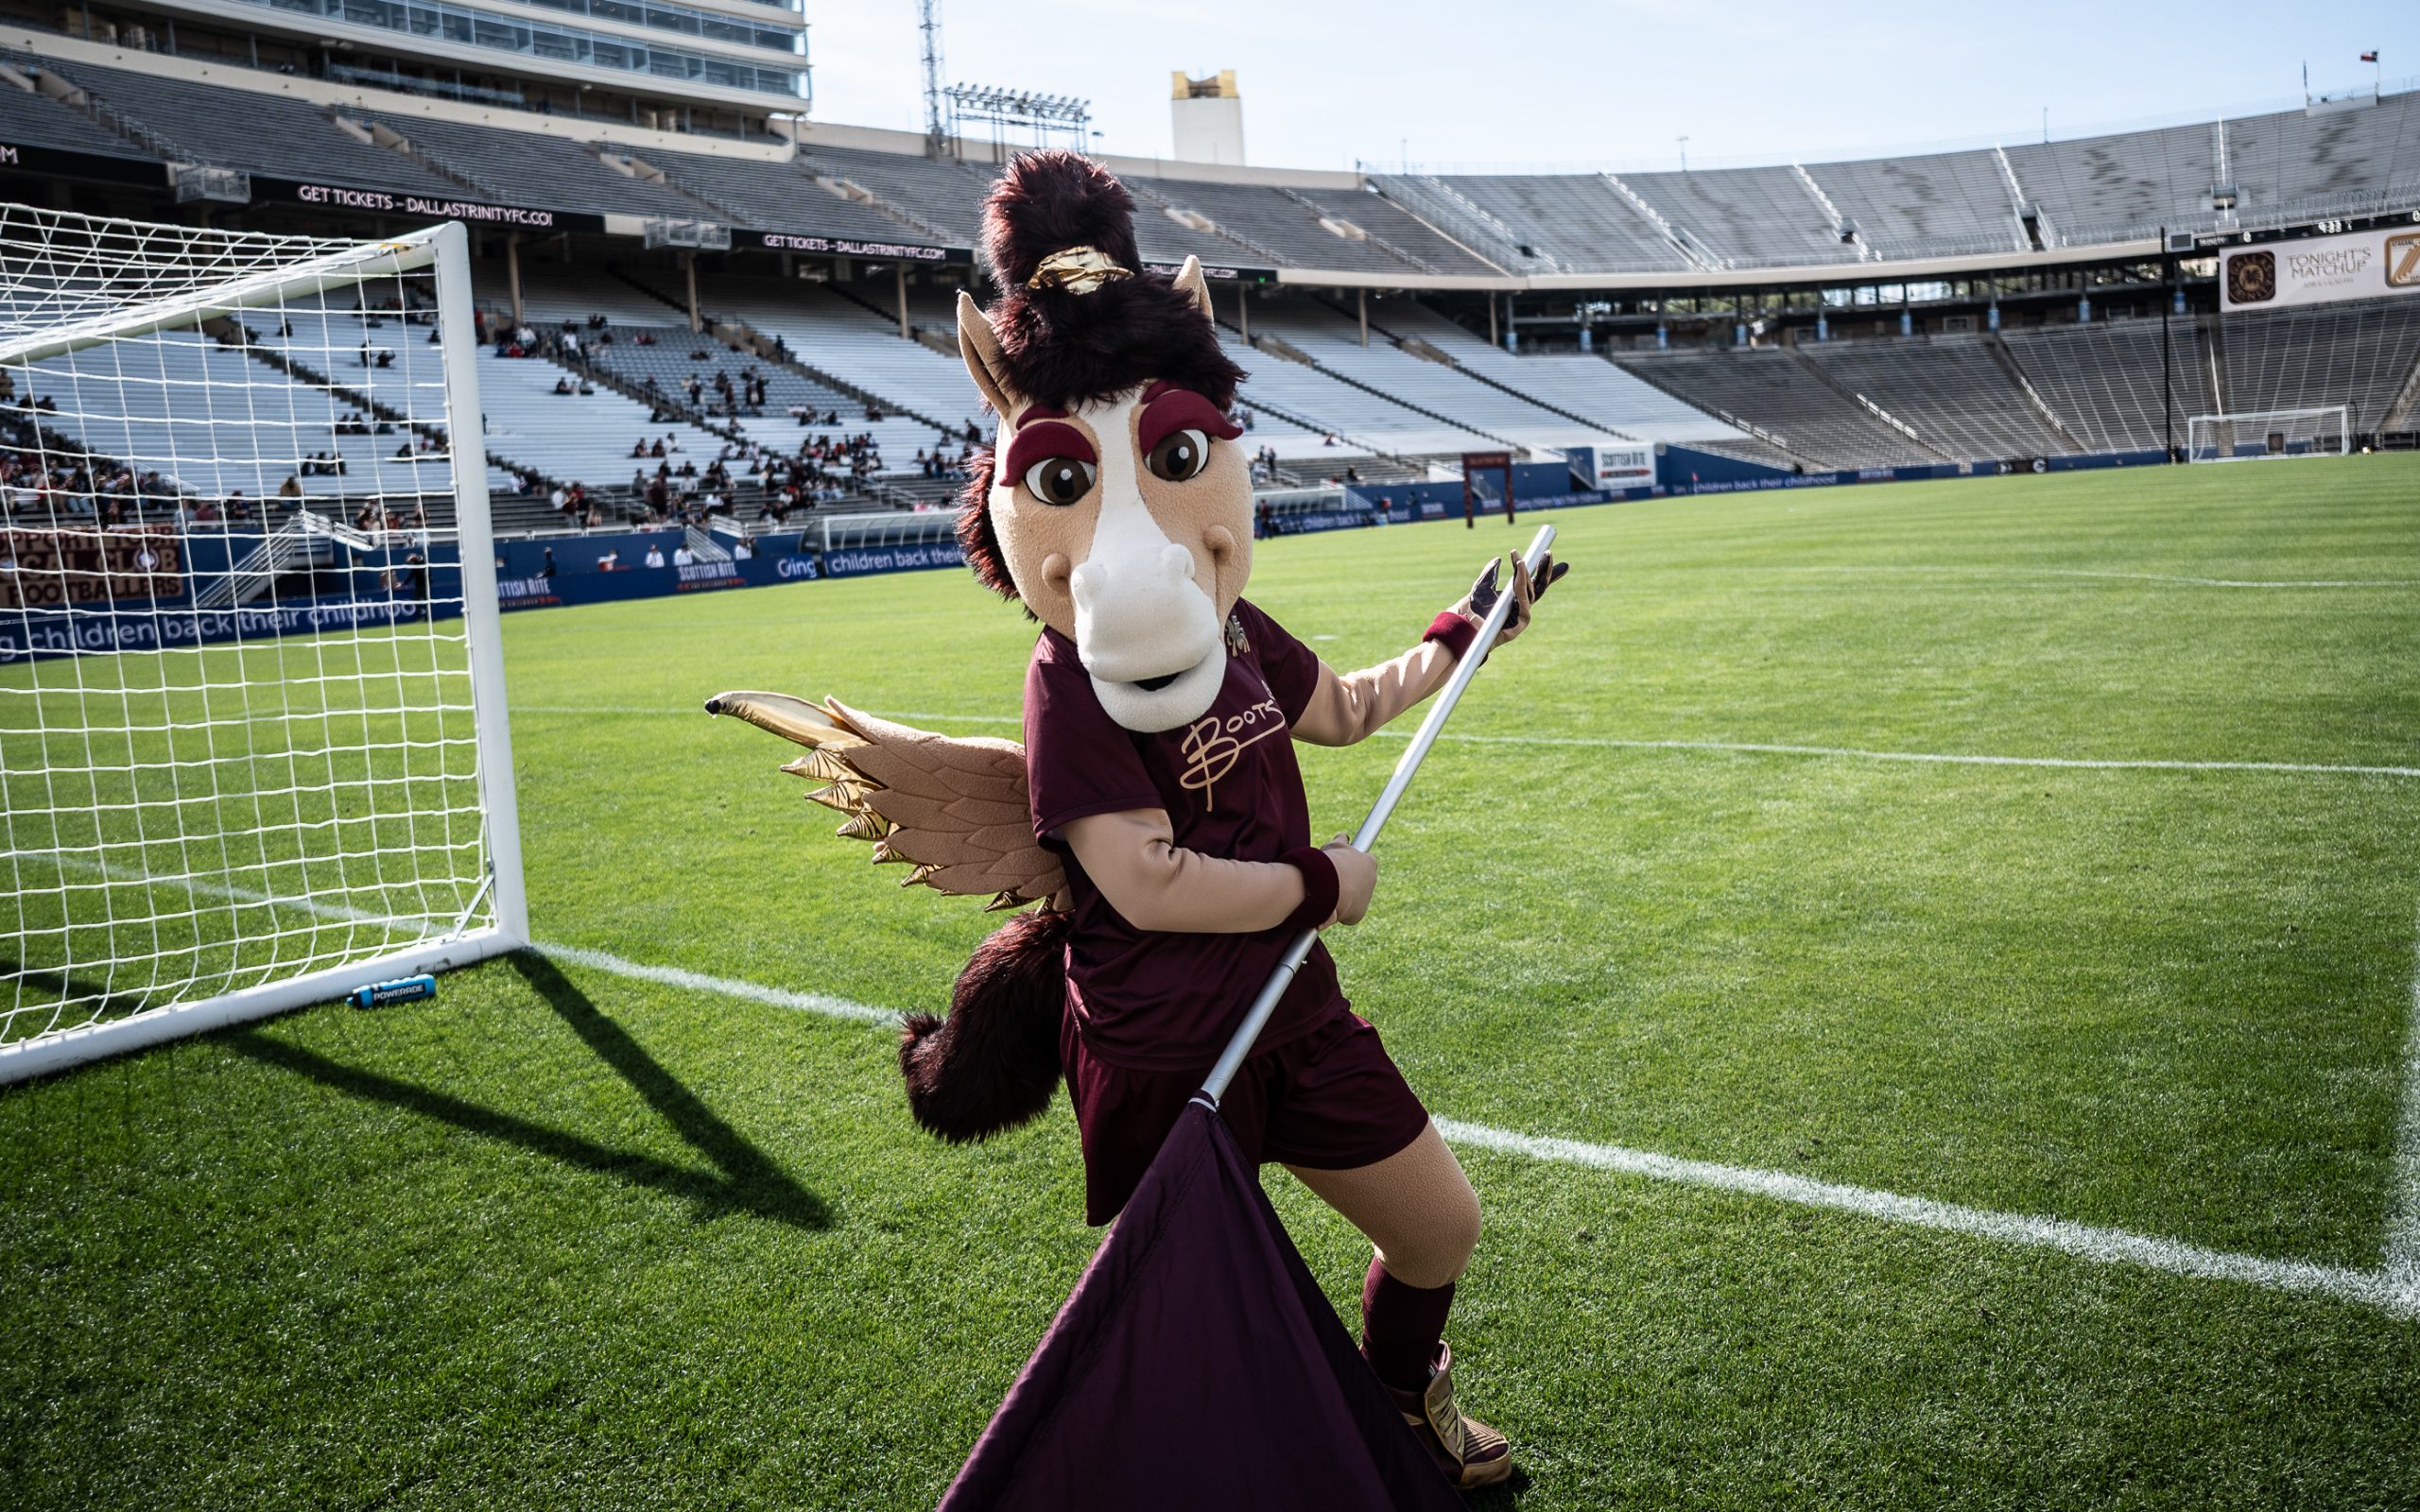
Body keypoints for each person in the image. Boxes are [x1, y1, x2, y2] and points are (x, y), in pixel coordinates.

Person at [704, 152, 1568, 1494]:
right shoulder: (1064, 688)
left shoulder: (1237, 629)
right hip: (1161, 1043)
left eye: (1174, 454)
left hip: (1289, 1008)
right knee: (1196, 1322)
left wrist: (1465, 636)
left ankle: (1402, 1399)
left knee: (1440, 1225)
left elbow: (1338, 709)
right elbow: (1144, 881)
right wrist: (1314, 884)